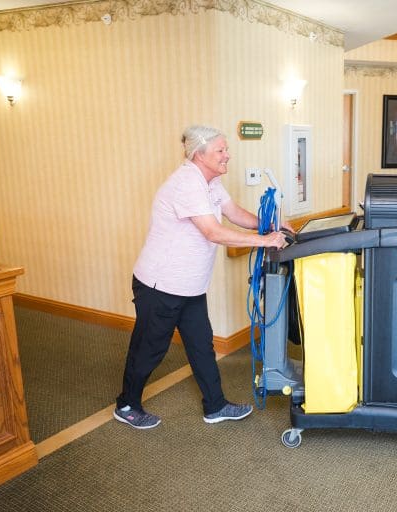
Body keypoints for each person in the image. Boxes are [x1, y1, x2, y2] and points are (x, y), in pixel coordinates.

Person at [114, 125, 290, 429]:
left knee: (201, 345)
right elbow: (212, 231)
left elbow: (234, 213)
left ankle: (215, 405)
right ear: (200, 155)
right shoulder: (186, 183)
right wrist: (265, 240)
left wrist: (272, 224)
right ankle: (126, 404)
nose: (227, 155)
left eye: (226, 149)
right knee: (149, 349)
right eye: (221, 150)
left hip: (190, 285)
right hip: (161, 284)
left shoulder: (211, 183)